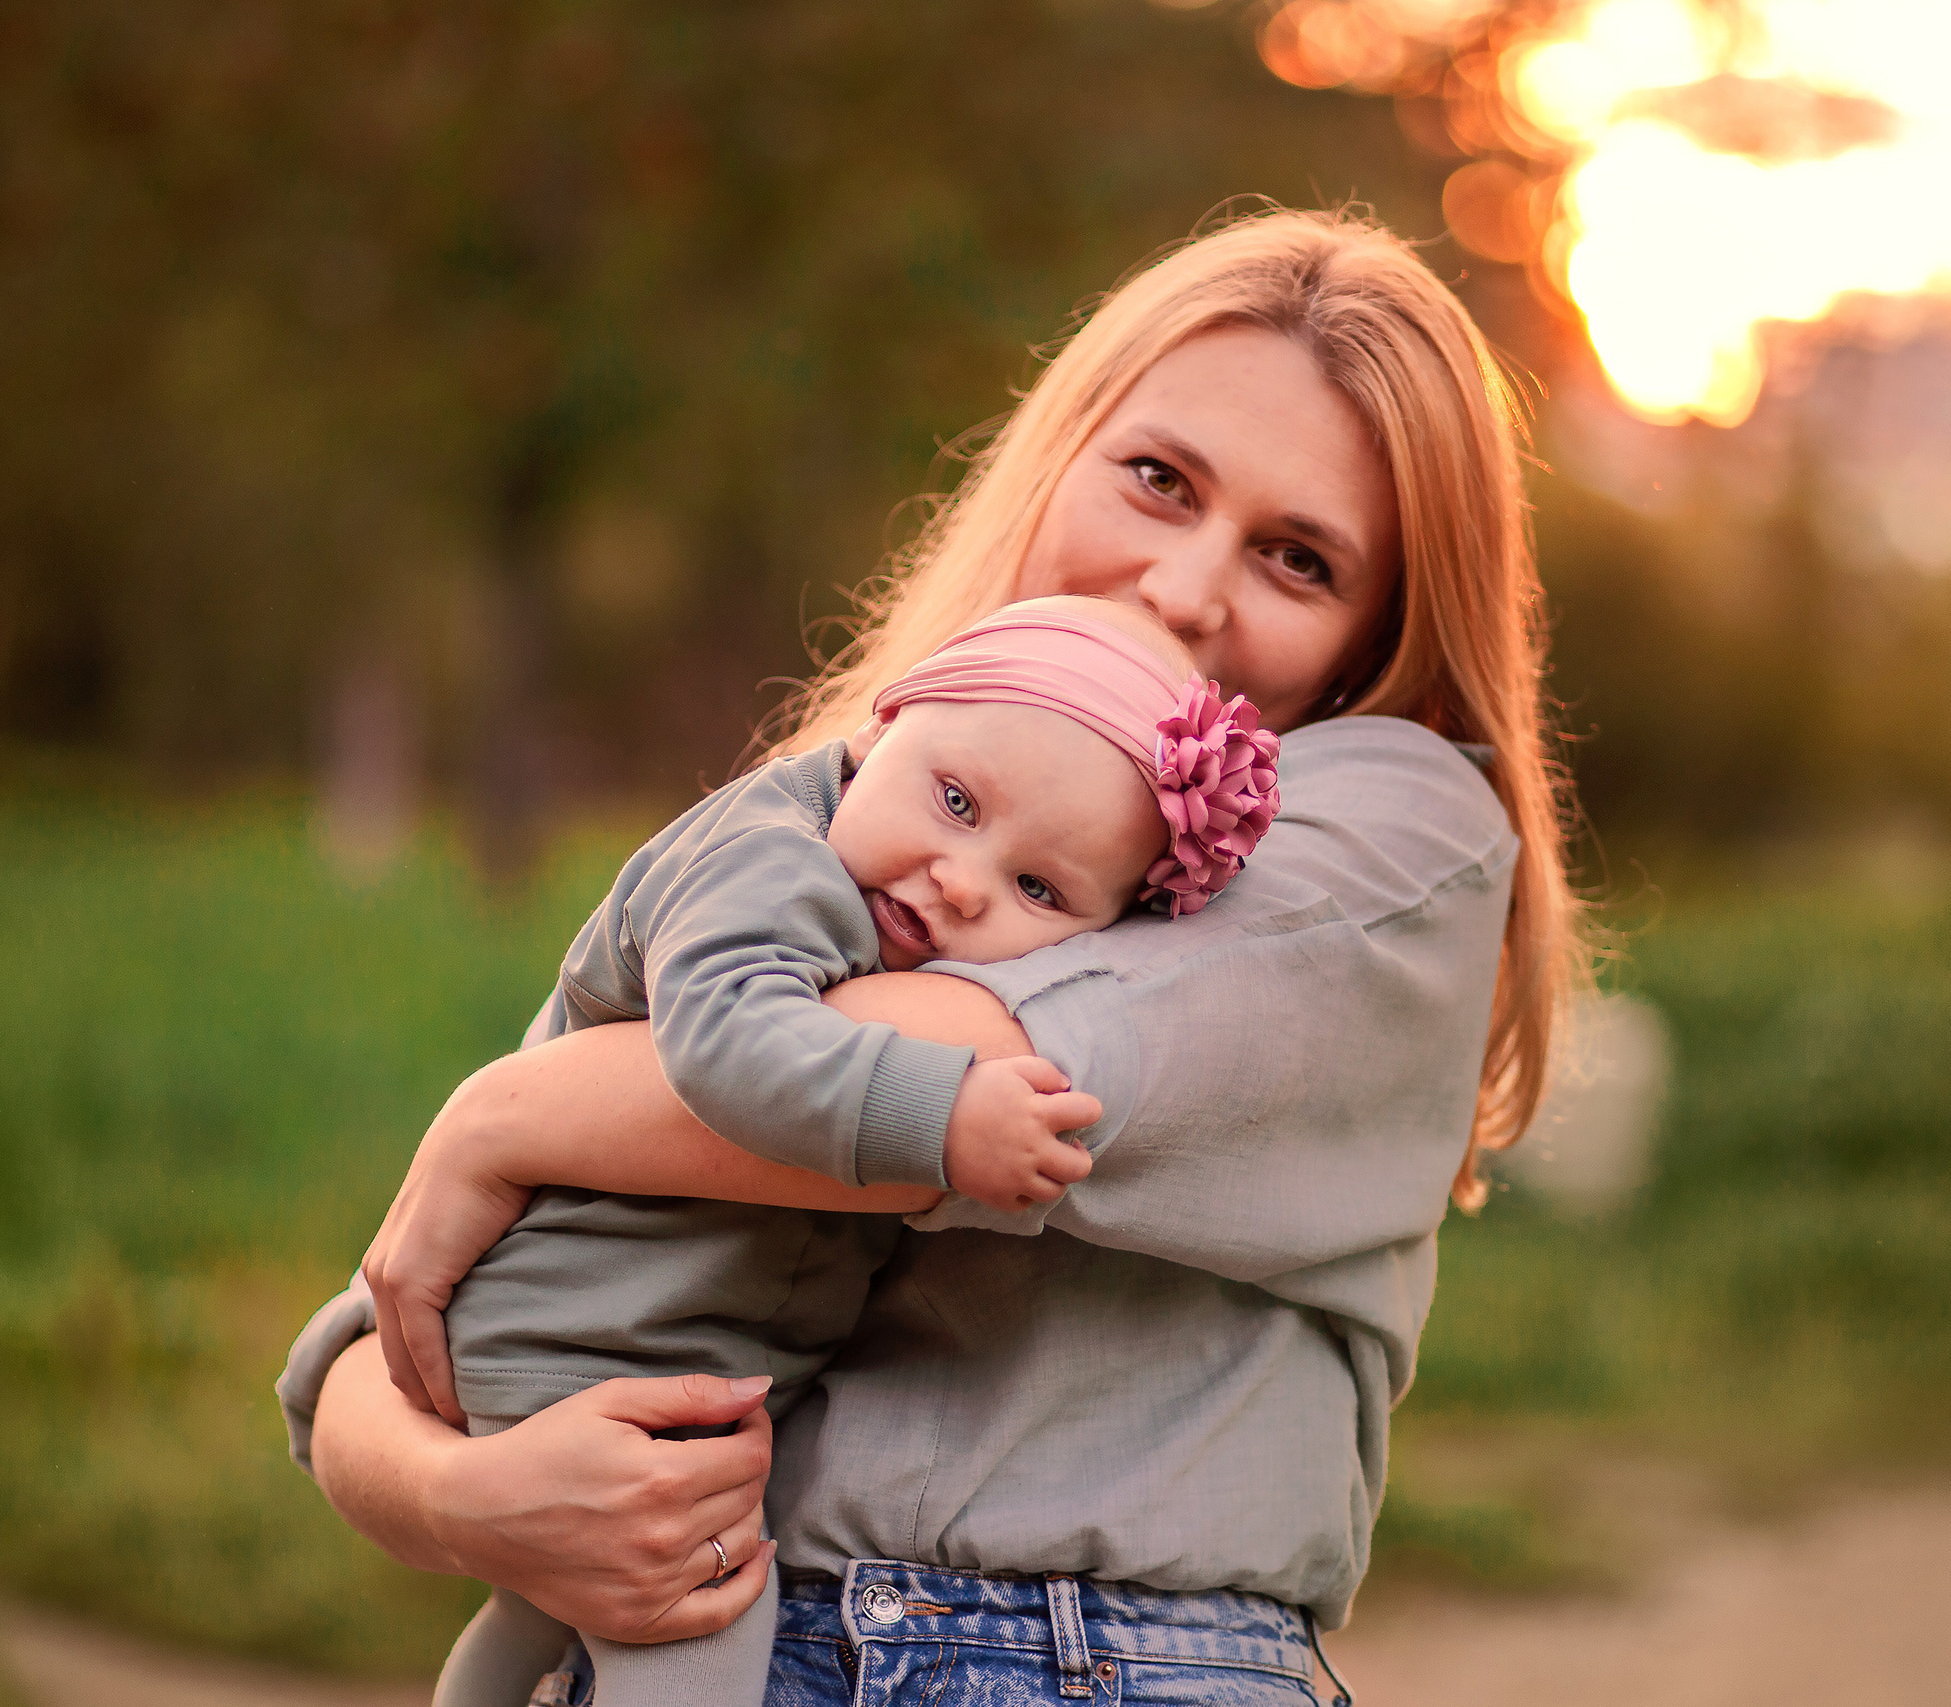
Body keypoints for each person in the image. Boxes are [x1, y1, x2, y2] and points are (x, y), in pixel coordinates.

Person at [279, 208, 1581, 1706]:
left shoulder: (1398, 828)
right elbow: (396, 1326)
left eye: (1298, 558)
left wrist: (500, 1113)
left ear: (1372, 639)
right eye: (1159, 478)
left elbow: (971, 1087)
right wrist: (478, 1504)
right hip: (719, 1631)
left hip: (1093, 1663)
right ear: (1061, 455)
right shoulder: (860, 812)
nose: (1183, 589)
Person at [433, 597, 1279, 1707]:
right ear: (882, 730)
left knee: (539, 1611)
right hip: (594, 1336)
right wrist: (938, 1116)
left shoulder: (855, 870)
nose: (963, 878)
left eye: (1039, 890)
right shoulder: (768, 862)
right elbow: (725, 1046)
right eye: (957, 799)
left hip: (616, 1326)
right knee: (697, 1625)